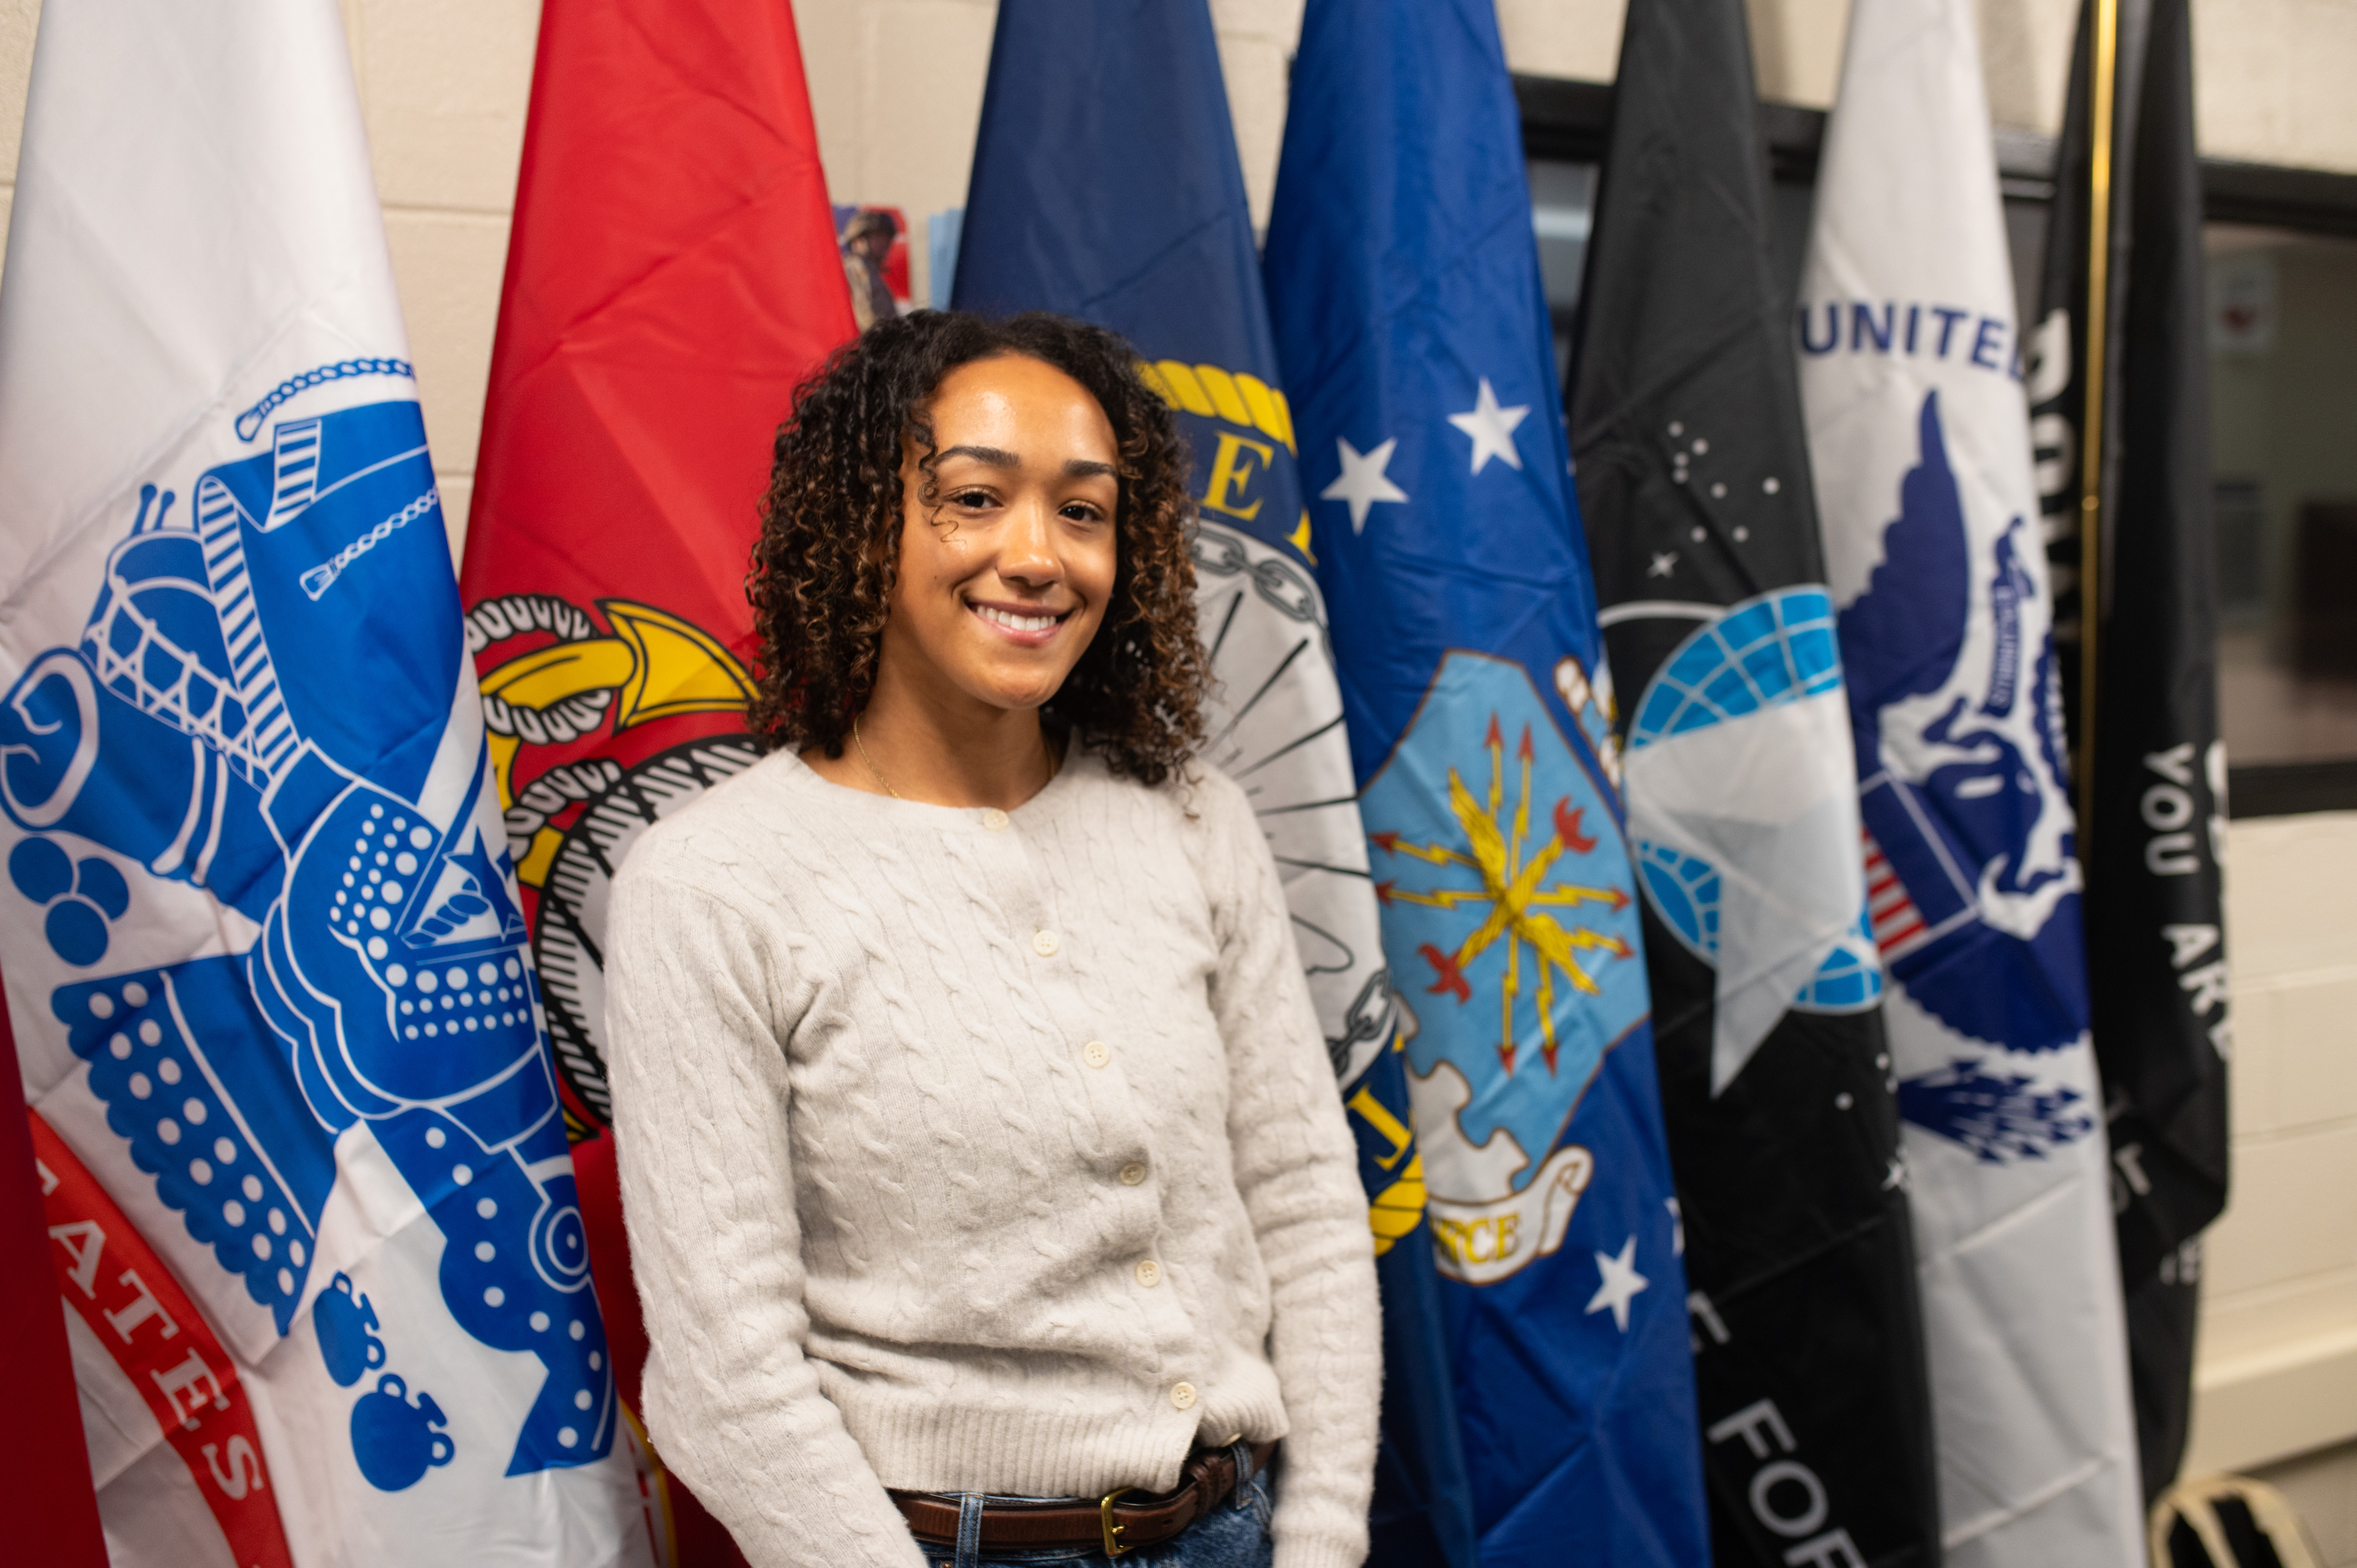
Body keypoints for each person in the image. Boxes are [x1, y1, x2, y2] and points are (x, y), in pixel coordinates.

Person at [603, 310, 1381, 1568]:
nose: (1038, 555)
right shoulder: (711, 881)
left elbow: (1298, 1198)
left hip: (1231, 1531)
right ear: (861, 529)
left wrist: (1322, 1538)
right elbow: (722, 1375)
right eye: (973, 498)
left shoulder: (1189, 816)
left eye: (1083, 512)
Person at [843, 208, 902, 330]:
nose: (886, 242)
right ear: (859, 240)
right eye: (879, 236)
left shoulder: (869, 269)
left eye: (887, 237)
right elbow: (868, 319)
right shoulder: (857, 267)